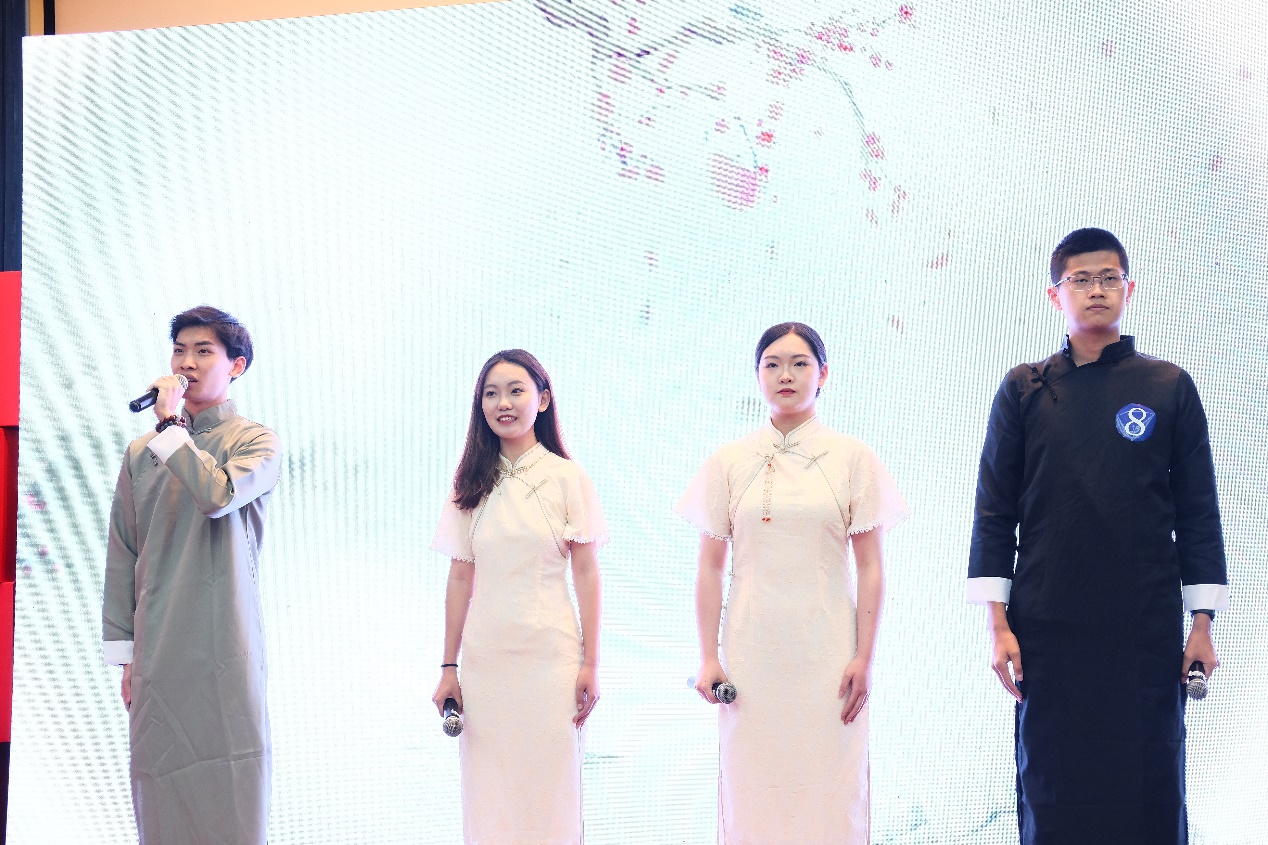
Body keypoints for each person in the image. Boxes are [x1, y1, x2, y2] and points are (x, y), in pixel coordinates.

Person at [967, 227, 1228, 844]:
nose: (1096, 291)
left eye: (1109, 278)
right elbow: (994, 513)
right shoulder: (1025, 388)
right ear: (1055, 295)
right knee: (1053, 787)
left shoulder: (1168, 386)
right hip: (1048, 629)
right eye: (1080, 280)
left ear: (1129, 290)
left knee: (1149, 788)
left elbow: (1198, 513)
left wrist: (1201, 625)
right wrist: (998, 624)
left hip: (1143, 629)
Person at [677, 322, 906, 845]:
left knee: (830, 789)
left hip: (828, 656)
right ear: (757, 376)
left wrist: (864, 658)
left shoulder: (852, 457)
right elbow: (709, 567)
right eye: (772, 364)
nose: (786, 375)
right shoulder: (729, 461)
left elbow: (871, 567)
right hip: (751, 656)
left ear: (823, 374)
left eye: (800, 364)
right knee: (751, 789)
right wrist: (708, 657)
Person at [102, 306, 282, 845]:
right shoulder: (141, 454)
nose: (187, 363)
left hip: (225, 644)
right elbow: (123, 553)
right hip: (159, 649)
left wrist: (171, 427)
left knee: (232, 786)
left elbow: (216, 495)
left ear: (237, 366)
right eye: (180, 350)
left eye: (204, 351)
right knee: (160, 792)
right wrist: (127, 657)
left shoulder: (255, 442)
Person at [431, 349, 606, 845]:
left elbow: (587, 573)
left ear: (543, 400)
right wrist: (449, 667)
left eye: (515, 391)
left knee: (550, 792)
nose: (502, 403)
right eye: (491, 394)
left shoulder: (567, 477)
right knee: (489, 795)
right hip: (485, 665)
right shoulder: (469, 483)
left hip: (551, 661)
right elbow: (459, 579)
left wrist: (592, 663)